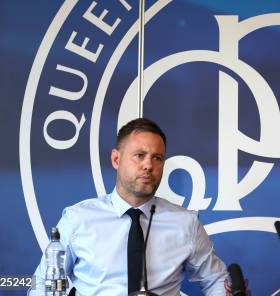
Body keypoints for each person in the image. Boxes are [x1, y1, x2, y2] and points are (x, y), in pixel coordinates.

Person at [30, 118, 227, 295]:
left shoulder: (186, 223)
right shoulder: (78, 219)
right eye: (139, 155)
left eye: (157, 158)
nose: (148, 165)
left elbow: (217, 279)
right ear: (116, 159)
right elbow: (42, 283)